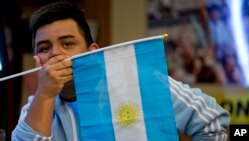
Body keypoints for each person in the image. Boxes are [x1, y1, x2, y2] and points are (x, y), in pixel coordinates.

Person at [12, 1, 230, 141]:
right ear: (36, 60)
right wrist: (44, 95)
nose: (55, 54)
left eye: (67, 44)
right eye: (44, 48)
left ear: (92, 53)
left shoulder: (141, 83)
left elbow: (213, 123)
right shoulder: (36, 107)